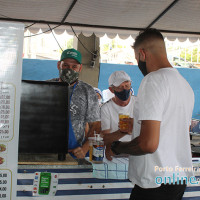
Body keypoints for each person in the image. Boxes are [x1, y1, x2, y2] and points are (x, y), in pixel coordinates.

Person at [109, 29, 195, 200]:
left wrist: (118, 148)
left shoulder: (153, 80)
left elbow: (148, 144)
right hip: (176, 178)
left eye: (136, 59)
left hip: (155, 183)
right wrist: (138, 127)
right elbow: (171, 130)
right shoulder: (184, 85)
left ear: (142, 54)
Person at [49, 48, 100, 158]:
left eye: (74, 67)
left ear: (80, 68)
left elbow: (95, 125)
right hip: (47, 152)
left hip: (75, 153)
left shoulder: (88, 91)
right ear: (59, 65)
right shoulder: (46, 87)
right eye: (65, 65)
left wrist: (85, 148)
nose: (69, 70)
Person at [101, 71, 135, 161]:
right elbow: (105, 139)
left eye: (127, 86)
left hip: (137, 155)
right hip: (115, 157)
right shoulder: (106, 108)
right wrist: (123, 131)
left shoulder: (139, 103)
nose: (124, 89)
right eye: (120, 87)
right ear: (112, 90)